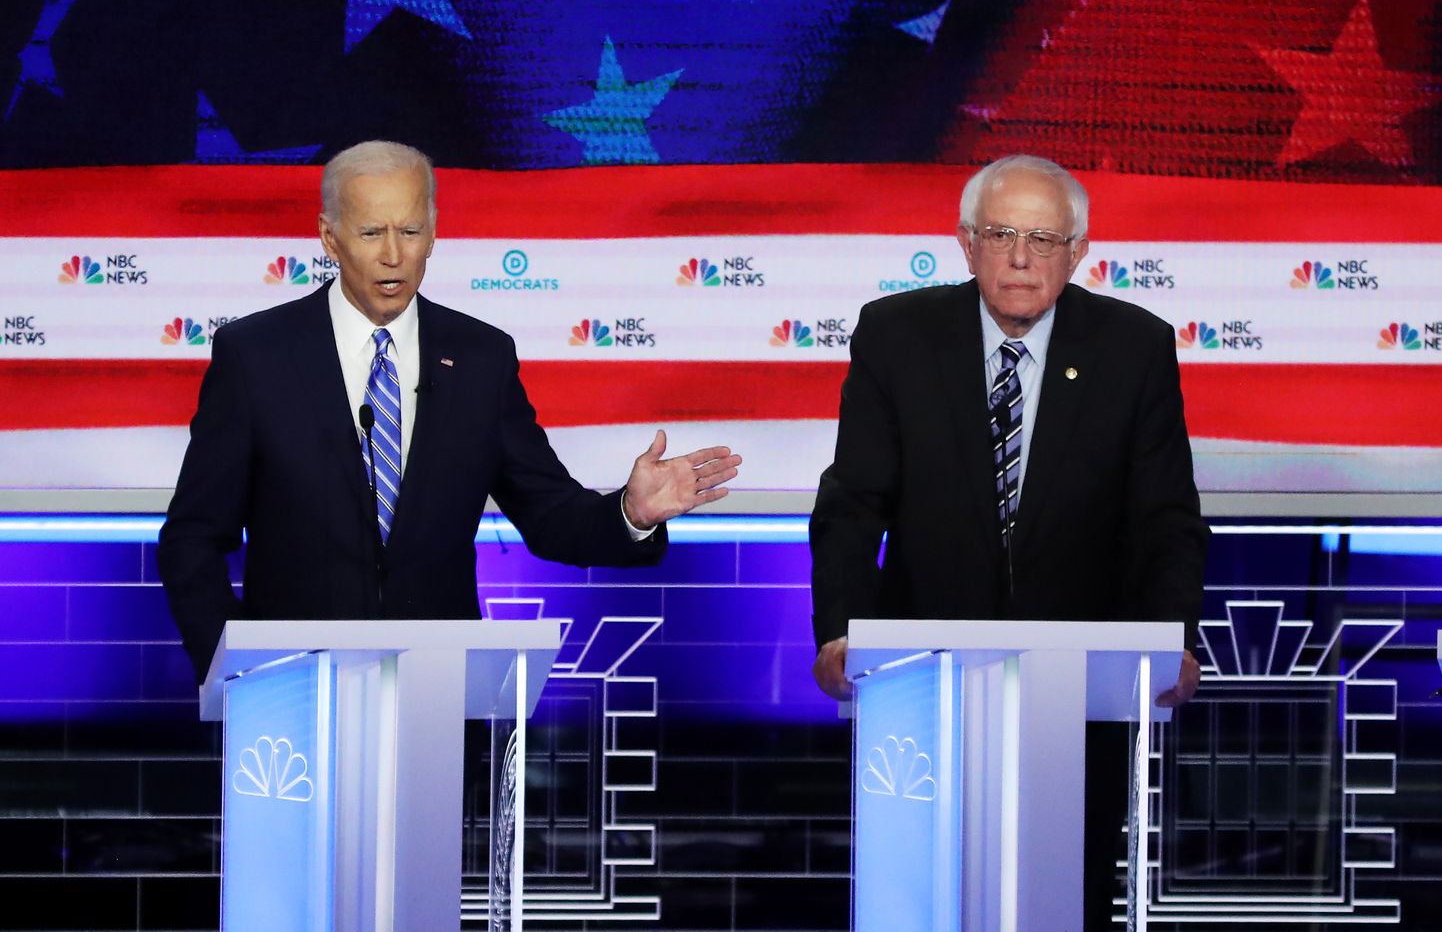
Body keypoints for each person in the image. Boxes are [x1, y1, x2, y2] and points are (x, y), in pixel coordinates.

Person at [158, 140, 741, 683]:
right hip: (288, 692)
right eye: (370, 233)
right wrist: (232, 669)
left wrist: (630, 513)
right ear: (329, 238)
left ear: (434, 232)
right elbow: (193, 536)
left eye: (410, 230)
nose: (393, 255)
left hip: (437, 693)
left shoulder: (481, 358)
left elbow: (549, 514)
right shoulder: (257, 356)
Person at [809, 154, 1209, 929]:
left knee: (1069, 892)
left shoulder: (1134, 346)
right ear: (965, 245)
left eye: (1043, 239)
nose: (1022, 258)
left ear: (1078, 252)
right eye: (1000, 235)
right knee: (919, 893)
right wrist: (839, 632)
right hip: (921, 674)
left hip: (1081, 679)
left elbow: (1166, 516)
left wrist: (1175, 639)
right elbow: (854, 503)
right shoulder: (897, 335)